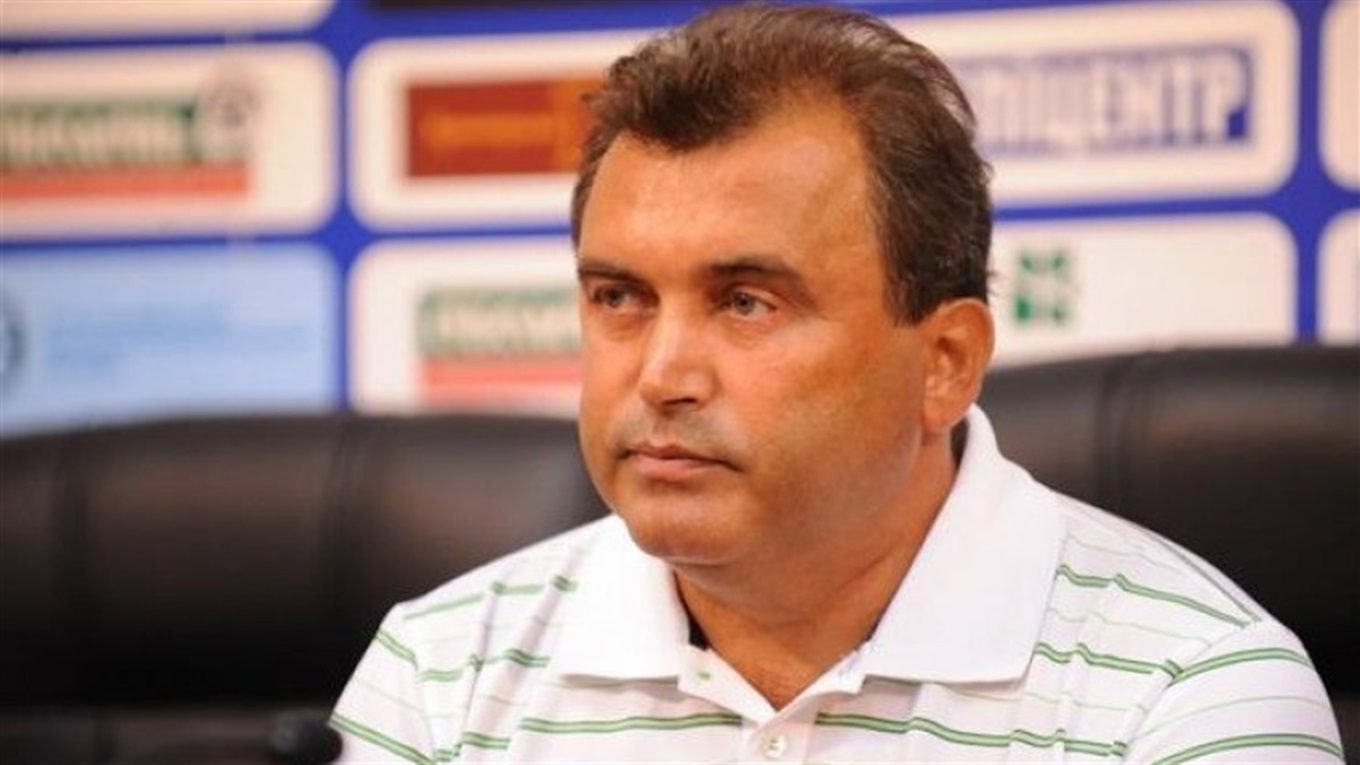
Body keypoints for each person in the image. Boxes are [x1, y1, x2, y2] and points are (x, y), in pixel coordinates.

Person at [331, 4, 1343, 762]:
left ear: (944, 364)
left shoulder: (1192, 694)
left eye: (746, 303)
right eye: (619, 297)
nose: (661, 375)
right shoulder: (443, 670)